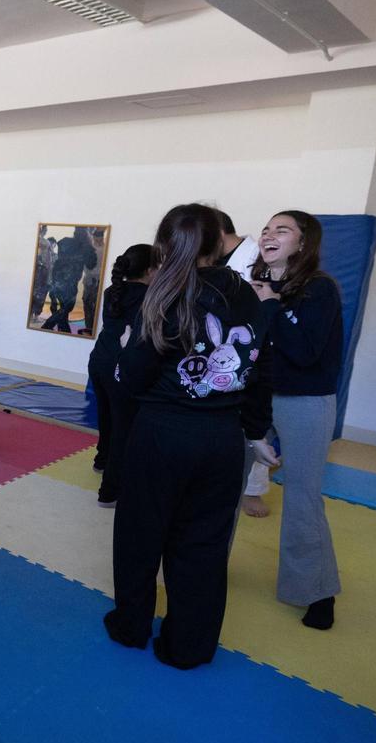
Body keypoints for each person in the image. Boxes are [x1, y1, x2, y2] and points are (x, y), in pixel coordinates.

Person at [105, 204, 277, 670]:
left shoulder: (165, 294)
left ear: (164, 246)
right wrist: (256, 430)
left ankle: (131, 625)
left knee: (140, 536)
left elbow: (132, 377)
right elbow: (261, 369)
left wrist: (124, 355)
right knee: (203, 545)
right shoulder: (249, 297)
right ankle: (189, 646)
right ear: (219, 243)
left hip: (162, 435)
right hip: (222, 439)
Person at [251, 210, 343, 630]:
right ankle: (204, 566)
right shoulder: (257, 284)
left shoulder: (318, 289)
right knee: (220, 483)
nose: (269, 234)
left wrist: (271, 305)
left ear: (303, 243)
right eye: (266, 229)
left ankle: (316, 591)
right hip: (255, 397)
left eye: (281, 230)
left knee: (303, 497)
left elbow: (305, 353)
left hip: (305, 401)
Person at [217, 209, 274, 518]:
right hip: (223, 348)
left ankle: (254, 490)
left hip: (251, 344)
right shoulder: (216, 261)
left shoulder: (255, 257)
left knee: (254, 420)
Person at [86, 243, 153, 506]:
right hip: (121, 366)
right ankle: (110, 492)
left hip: (99, 361)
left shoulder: (112, 290)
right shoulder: (150, 296)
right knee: (123, 427)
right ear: (150, 270)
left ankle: (101, 460)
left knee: (106, 417)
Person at [42, 226, 98, 333]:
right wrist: (90, 246)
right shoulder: (86, 247)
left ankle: (64, 330)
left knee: (64, 307)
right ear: (87, 233)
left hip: (57, 278)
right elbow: (91, 264)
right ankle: (47, 325)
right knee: (67, 307)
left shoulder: (64, 241)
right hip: (70, 282)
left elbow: (60, 258)